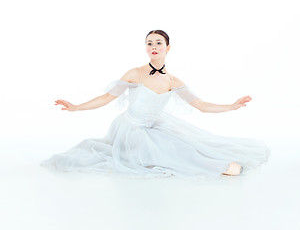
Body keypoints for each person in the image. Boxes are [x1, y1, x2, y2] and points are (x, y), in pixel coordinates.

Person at [41, 30, 271, 179]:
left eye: (158, 43)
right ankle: (218, 167)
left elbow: (201, 105)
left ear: (167, 48)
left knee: (185, 144)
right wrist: (75, 107)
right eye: (149, 43)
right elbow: (106, 98)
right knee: (161, 153)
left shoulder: (174, 81)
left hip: (156, 125)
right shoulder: (136, 73)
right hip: (131, 128)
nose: (153, 46)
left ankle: (214, 161)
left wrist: (232, 106)